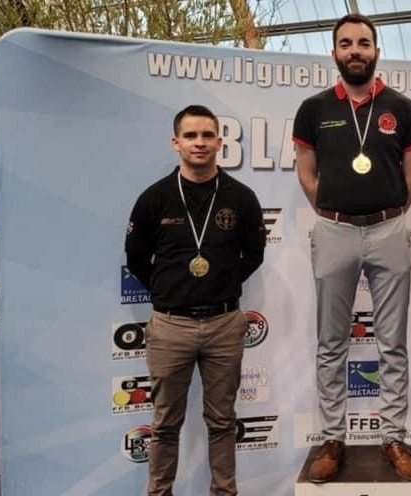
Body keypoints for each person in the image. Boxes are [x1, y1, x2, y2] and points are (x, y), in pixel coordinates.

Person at [293, 12, 411, 484]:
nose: (355, 50)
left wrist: (385, 214)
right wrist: (334, 212)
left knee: (392, 343)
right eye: (346, 43)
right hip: (333, 231)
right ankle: (333, 438)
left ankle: (393, 437)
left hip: (390, 231)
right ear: (334, 53)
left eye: (363, 43)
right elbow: (306, 173)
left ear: (376, 50)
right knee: (332, 343)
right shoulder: (314, 109)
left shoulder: (402, 108)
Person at [125, 104, 266, 496]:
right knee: (166, 423)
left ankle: (224, 492)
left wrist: (221, 283)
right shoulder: (154, 198)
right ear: (176, 143)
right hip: (170, 326)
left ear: (220, 142)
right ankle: (159, 493)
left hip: (224, 324)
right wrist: (167, 290)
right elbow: (136, 257)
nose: (199, 143)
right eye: (190, 136)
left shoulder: (241, 197)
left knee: (222, 421)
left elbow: (254, 254)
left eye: (207, 135)